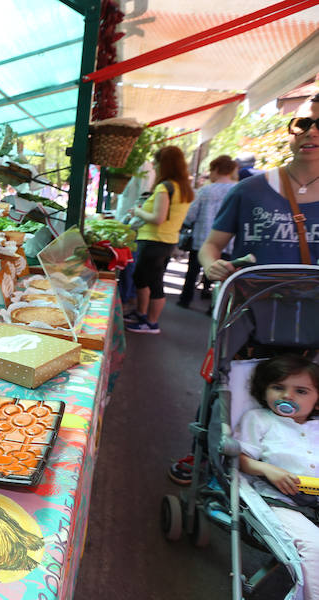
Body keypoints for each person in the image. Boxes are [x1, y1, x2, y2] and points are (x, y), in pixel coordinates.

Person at [234, 355, 319, 600]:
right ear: (265, 390)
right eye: (278, 387)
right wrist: (267, 469)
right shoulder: (259, 419)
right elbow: (240, 458)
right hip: (279, 501)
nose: (287, 396)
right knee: (314, 548)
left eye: (301, 391)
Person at [201, 107, 319, 283]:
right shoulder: (248, 190)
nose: (311, 132)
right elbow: (212, 244)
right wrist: (212, 265)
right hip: (251, 304)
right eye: (302, 124)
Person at [123, 145, 194, 333]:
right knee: (150, 280)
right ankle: (143, 315)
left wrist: (137, 211)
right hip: (166, 241)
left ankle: (151, 322)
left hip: (154, 241)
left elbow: (158, 218)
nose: (154, 166)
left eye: (156, 162)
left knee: (150, 283)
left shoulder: (165, 187)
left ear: (165, 164)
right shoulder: (183, 188)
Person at [177, 155, 237, 308]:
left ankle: (185, 300)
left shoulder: (205, 191)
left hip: (203, 239)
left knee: (193, 272)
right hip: (229, 242)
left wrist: (185, 225)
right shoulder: (238, 190)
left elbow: (191, 215)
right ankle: (215, 306)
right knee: (223, 275)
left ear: (216, 170)